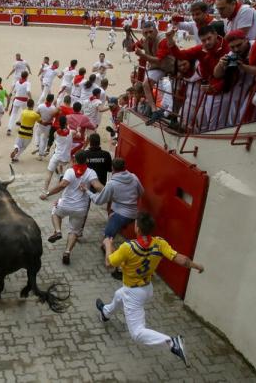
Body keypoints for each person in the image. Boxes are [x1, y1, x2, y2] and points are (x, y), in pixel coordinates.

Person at [96, 212, 205, 367]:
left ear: (137, 228)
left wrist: (108, 245)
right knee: (119, 295)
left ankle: (171, 343)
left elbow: (108, 264)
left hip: (133, 292)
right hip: (147, 288)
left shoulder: (128, 247)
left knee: (137, 333)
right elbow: (181, 259)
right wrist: (196, 266)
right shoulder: (159, 243)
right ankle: (105, 313)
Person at [40, 150, 104, 265]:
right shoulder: (91, 172)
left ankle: (58, 231)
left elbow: (62, 185)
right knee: (74, 231)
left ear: (74, 160)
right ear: (87, 161)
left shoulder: (70, 171)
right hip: (81, 209)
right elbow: (98, 186)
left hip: (65, 204)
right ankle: (67, 251)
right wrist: (109, 192)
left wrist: (47, 193)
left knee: (55, 213)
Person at [85, 157, 143, 273]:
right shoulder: (134, 177)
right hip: (133, 214)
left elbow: (98, 200)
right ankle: (105, 247)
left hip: (120, 215)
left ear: (112, 168)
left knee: (108, 238)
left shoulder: (112, 184)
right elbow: (141, 192)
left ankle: (119, 267)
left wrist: (86, 191)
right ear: (124, 167)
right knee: (111, 230)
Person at [43, 115, 73, 192]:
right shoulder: (72, 132)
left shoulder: (56, 133)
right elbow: (78, 134)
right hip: (66, 158)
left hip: (56, 156)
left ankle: (45, 190)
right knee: (69, 172)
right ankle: (65, 184)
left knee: (49, 173)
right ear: (66, 123)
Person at [6, 70, 31, 136]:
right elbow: (28, 91)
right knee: (25, 112)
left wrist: (11, 93)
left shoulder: (17, 82)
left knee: (13, 115)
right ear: (27, 76)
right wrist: (30, 98)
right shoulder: (27, 83)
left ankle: (9, 128)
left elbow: (13, 89)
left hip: (17, 100)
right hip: (24, 101)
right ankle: (20, 122)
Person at [34, 93, 58, 160]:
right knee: (44, 140)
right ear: (52, 100)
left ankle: (37, 145)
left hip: (41, 124)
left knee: (37, 134)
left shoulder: (40, 106)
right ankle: (40, 154)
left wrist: (41, 121)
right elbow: (54, 118)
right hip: (48, 126)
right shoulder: (53, 108)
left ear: (46, 98)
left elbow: (36, 114)